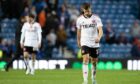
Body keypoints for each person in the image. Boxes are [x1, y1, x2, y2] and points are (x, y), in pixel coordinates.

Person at [76, 3, 103, 84]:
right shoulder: (79, 19)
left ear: (90, 9)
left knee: (94, 61)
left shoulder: (96, 18)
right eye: (86, 11)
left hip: (94, 43)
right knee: (86, 59)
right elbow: (78, 31)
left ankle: (93, 78)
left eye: (89, 11)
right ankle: (85, 81)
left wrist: (99, 37)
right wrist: (78, 41)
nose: (88, 12)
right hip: (85, 42)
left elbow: (101, 30)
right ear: (83, 10)